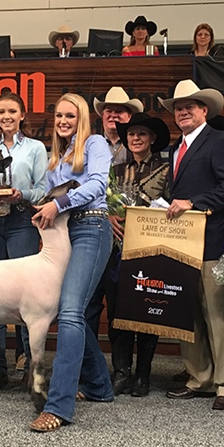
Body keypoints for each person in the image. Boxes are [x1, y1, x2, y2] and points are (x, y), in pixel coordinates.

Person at [29, 93, 114, 432]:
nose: (63, 121)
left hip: (92, 226)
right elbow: (50, 200)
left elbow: (97, 184)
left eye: (70, 116)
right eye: (59, 116)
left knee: (69, 311)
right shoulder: (57, 157)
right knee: (70, 309)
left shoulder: (94, 143)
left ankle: (59, 406)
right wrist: (44, 209)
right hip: (65, 233)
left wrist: (58, 204)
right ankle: (99, 386)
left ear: (81, 118)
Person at [160, 79, 224, 410]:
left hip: (211, 242)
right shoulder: (174, 148)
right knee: (188, 312)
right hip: (182, 243)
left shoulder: (220, 141)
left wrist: (192, 202)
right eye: (178, 108)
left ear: (204, 110)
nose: (183, 111)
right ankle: (200, 378)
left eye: (189, 107)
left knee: (216, 314)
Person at [0, 91, 48, 389]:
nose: (7, 117)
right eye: (2, 112)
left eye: (12, 111)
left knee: (28, 296)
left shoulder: (36, 148)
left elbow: (41, 188)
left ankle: (30, 364)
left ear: (22, 115)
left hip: (21, 221)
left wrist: (22, 195)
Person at [106, 113, 170, 396]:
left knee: (148, 309)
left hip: (152, 248)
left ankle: (143, 375)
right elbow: (103, 201)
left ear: (152, 139)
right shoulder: (115, 171)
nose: (135, 138)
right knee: (117, 311)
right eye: (131, 134)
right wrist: (110, 215)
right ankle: (121, 373)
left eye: (141, 134)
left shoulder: (167, 170)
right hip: (118, 249)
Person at [84, 87, 144, 341]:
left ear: (129, 116)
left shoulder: (137, 145)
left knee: (124, 302)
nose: (113, 115)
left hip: (129, 234)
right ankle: (87, 363)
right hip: (94, 229)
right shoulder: (89, 145)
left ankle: (121, 369)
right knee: (90, 301)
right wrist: (103, 213)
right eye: (109, 111)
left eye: (120, 111)